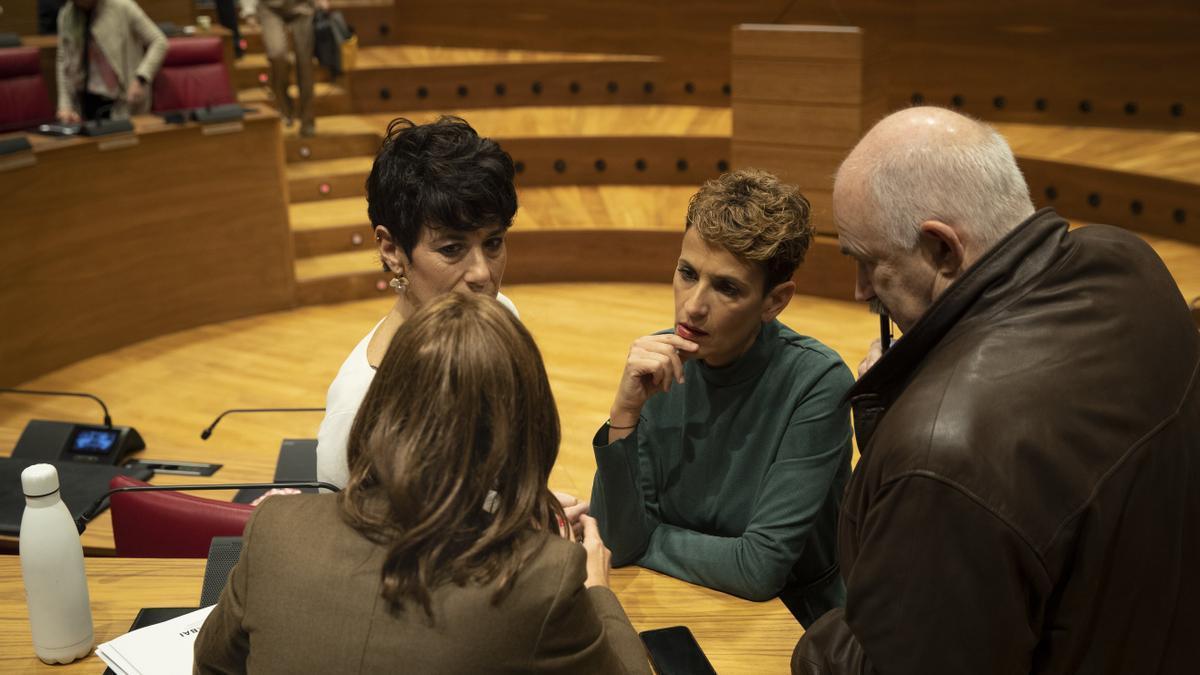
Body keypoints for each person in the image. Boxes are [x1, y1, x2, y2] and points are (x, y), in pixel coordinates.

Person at [793, 106, 1200, 673]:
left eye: (868, 263)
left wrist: (818, 648)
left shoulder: (941, 454)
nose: (862, 290)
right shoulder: (1130, 261)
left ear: (942, 250)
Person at [194, 293, 651, 673]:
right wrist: (597, 590)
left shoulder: (275, 527)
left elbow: (212, 666)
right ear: (525, 427)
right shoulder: (546, 578)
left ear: (382, 405)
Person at [590, 169, 855, 627]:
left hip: (793, 627)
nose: (693, 305)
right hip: (678, 600)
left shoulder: (817, 382)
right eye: (687, 273)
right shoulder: (658, 362)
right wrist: (625, 414)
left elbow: (758, 569)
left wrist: (647, 539)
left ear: (775, 301)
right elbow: (613, 539)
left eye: (727, 287)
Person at [315, 116, 521, 489]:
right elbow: (345, 544)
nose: (482, 274)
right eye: (452, 249)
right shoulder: (358, 407)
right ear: (392, 250)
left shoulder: (500, 314)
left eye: (493, 243)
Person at [55, 0, 166, 123]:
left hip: (122, 103)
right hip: (84, 102)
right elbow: (63, 61)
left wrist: (141, 78)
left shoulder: (123, 7)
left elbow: (159, 41)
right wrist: (65, 105)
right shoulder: (66, 14)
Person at [241, 0, 328, 136]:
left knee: (305, 63)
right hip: (269, 8)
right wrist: (249, 10)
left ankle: (307, 119)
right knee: (276, 54)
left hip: (303, 6)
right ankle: (284, 105)